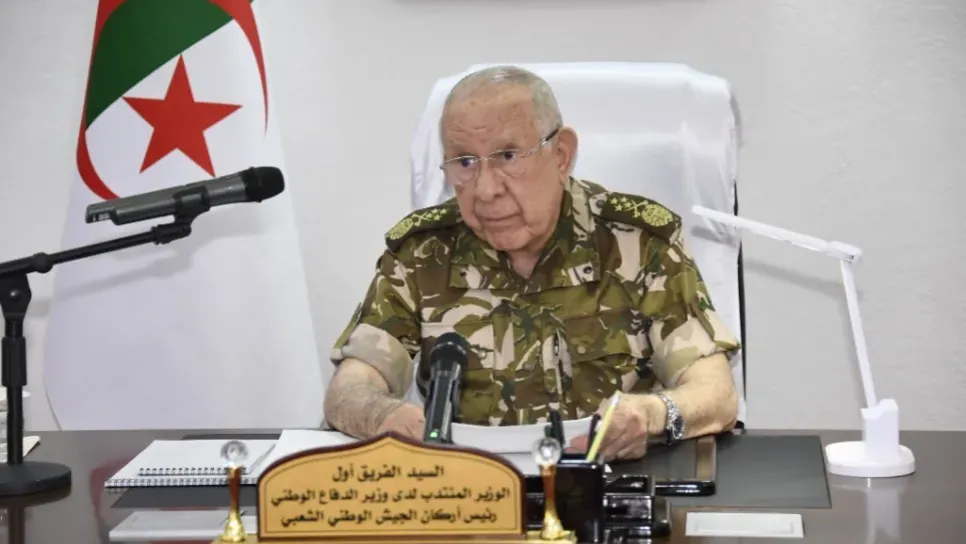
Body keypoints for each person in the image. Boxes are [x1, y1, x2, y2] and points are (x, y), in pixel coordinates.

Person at [324, 66, 740, 461]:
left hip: (608, 483)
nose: (485, 190)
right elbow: (349, 389)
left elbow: (716, 393)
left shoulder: (637, 245)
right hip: (470, 490)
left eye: (507, 156)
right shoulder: (422, 254)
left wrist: (652, 415)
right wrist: (381, 415)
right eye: (464, 162)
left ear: (561, 154)